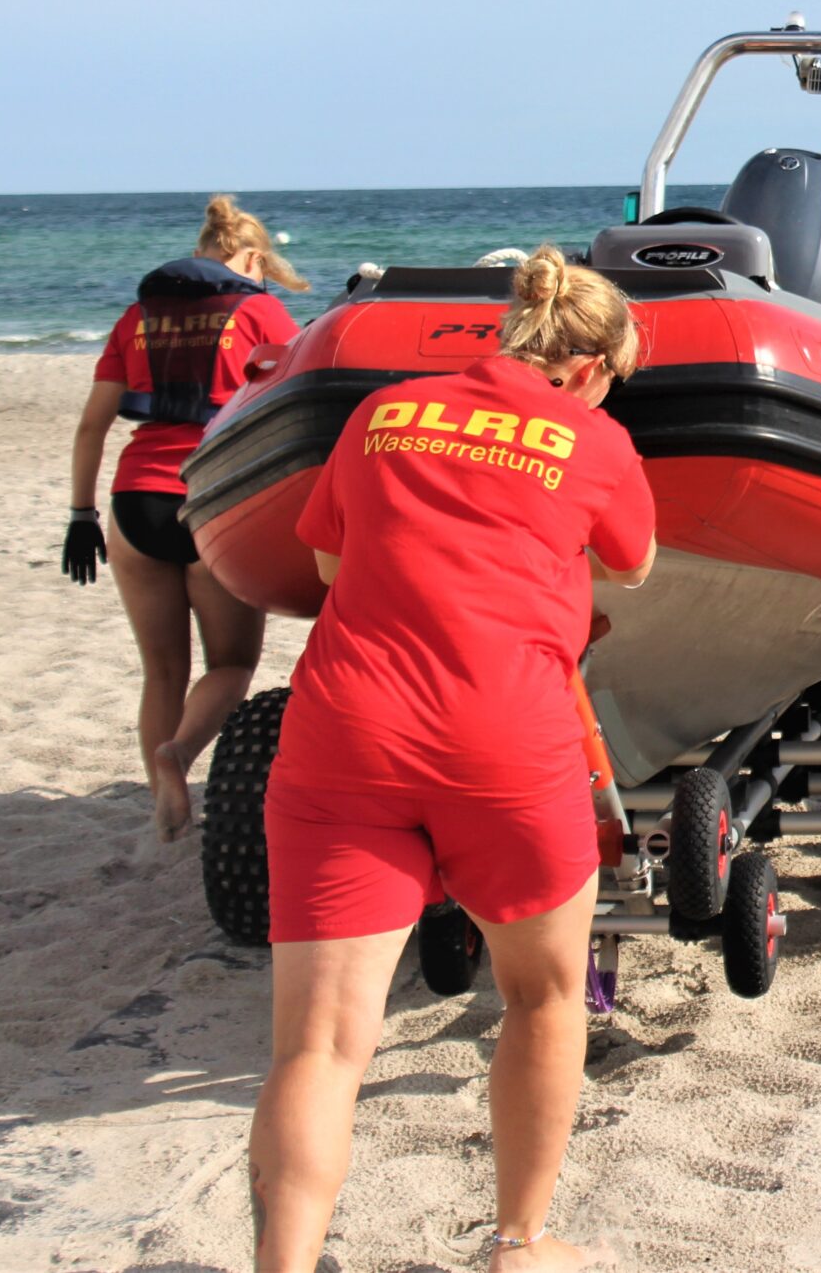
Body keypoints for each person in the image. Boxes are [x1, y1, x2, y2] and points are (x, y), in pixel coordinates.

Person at [245, 246, 655, 1273]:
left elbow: (330, 560)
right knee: (543, 998)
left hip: (348, 731)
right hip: (505, 739)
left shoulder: (382, 413)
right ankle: (520, 1242)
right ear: (591, 366)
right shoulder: (595, 438)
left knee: (319, 1045)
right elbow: (634, 563)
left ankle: (282, 1264)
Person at [66, 194, 308, 840]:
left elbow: (92, 425)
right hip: (216, 498)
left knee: (162, 671)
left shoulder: (137, 317)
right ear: (251, 259)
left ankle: (163, 811)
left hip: (134, 501)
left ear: (199, 252)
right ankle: (179, 754)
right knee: (230, 664)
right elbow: (295, 403)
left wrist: (81, 513)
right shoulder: (259, 309)